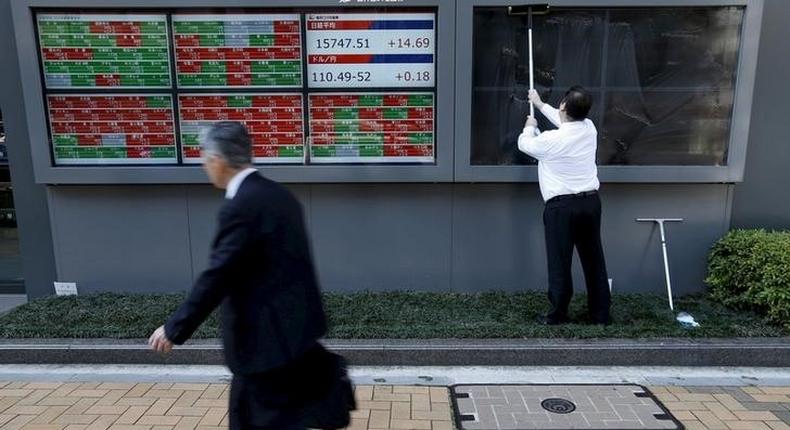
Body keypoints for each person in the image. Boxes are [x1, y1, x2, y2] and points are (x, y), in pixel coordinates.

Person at [148, 121, 329, 429]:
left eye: (204, 159)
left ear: (218, 160)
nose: (204, 166)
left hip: (262, 347)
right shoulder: (280, 195)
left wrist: (174, 328)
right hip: (293, 339)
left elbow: (218, 274)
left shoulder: (241, 205)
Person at [517, 86, 611, 325]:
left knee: (560, 260)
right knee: (594, 258)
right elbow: (564, 122)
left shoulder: (549, 140)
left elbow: (525, 145)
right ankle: (600, 314)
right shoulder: (589, 129)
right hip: (590, 203)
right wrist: (539, 104)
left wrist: (529, 127)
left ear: (563, 107)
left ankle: (557, 314)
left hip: (561, 208)